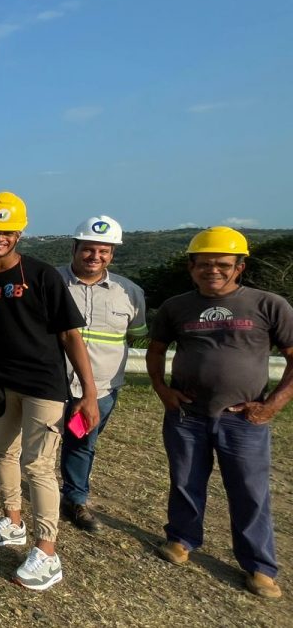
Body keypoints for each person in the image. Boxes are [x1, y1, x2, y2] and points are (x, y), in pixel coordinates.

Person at [0, 191, 99, 591]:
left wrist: (88, 394)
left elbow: (71, 336)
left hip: (43, 384)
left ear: (18, 233)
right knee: (3, 452)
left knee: (38, 466)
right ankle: (12, 521)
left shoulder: (41, 276)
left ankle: (47, 551)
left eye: (6, 231)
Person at [148, 226, 293, 600]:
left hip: (243, 418)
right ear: (191, 266)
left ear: (239, 267)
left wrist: (274, 403)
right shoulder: (176, 306)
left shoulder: (268, 305)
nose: (213, 270)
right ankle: (181, 539)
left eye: (223, 264)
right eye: (204, 263)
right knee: (185, 480)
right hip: (188, 414)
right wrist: (163, 390)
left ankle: (259, 566)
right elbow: (156, 349)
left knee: (249, 490)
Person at [57, 216, 147, 533]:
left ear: (112, 254)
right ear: (75, 248)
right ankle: (4, 485)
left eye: (103, 251)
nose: (95, 257)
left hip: (101, 390)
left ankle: (75, 499)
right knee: (31, 440)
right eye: (88, 249)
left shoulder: (129, 292)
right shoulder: (51, 283)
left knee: (82, 444)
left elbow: (136, 336)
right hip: (52, 385)